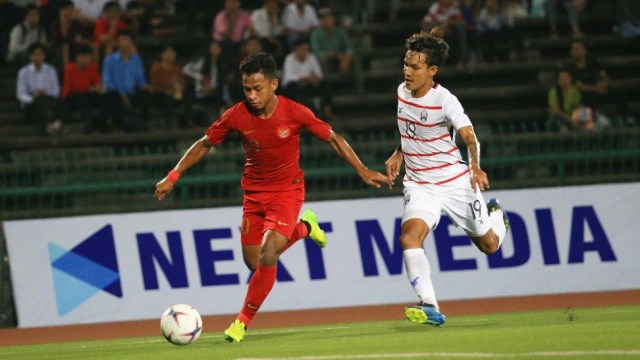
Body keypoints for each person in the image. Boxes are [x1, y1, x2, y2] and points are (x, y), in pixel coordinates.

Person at [153, 52, 389, 343]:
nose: (251, 95)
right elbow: (204, 144)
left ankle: (241, 321)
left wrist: (362, 169)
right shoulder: (236, 115)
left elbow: (333, 138)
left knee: (268, 254)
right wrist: (173, 175)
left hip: (287, 192)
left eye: (258, 88)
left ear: (274, 84)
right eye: (246, 89)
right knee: (256, 265)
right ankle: (305, 228)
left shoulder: (294, 112)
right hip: (253, 196)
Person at [384, 28, 510, 326]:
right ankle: (430, 306)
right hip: (420, 184)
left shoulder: (445, 101)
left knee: (489, 245)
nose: (407, 70)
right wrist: (398, 153)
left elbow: (470, 138)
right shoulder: (402, 92)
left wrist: (475, 166)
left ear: (432, 70)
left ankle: (497, 217)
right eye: (406, 63)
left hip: (455, 182)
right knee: (409, 237)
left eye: (415, 66)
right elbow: (411, 132)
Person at [567, 39, 631, 127]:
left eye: (580, 48)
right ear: (571, 53)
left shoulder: (593, 62)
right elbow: (579, 86)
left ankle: (626, 117)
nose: (578, 51)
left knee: (617, 92)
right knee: (586, 96)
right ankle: (596, 119)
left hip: (599, 89)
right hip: (586, 94)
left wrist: (604, 83)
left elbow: (603, 75)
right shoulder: (570, 69)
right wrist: (595, 88)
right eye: (575, 49)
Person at [101, 31, 150, 131]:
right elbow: (107, 81)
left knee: (145, 93)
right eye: (121, 41)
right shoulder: (109, 60)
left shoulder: (137, 60)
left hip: (132, 92)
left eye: (126, 41)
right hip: (116, 93)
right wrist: (122, 94)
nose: (123, 44)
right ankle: (119, 124)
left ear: (131, 43)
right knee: (111, 96)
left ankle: (144, 123)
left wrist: (144, 86)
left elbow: (140, 79)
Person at [282, 38, 335, 120]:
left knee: (324, 84)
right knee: (292, 88)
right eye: (302, 49)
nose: (304, 51)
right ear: (296, 49)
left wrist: (314, 79)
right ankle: (298, 115)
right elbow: (288, 77)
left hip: (309, 84)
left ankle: (327, 112)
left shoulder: (311, 57)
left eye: (306, 49)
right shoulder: (289, 58)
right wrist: (305, 78)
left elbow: (319, 74)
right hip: (295, 86)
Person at [16, 43, 63, 134]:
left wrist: (43, 93)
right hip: (31, 102)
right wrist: (33, 97)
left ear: (44, 56)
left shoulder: (51, 70)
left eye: (40, 54)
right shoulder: (23, 72)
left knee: (46, 102)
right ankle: (51, 123)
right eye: (35, 54)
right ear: (30, 56)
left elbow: (55, 91)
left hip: (48, 100)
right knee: (39, 103)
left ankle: (47, 125)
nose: (38, 57)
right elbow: (21, 93)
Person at [183, 40, 228, 126]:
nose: (215, 50)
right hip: (201, 92)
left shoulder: (222, 64)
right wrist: (199, 77)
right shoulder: (203, 62)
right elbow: (186, 69)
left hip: (214, 91)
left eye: (217, 47)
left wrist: (213, 87)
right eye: (213, 47)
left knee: (224, 93)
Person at [60, 45, 105, 132]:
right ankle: (87, 123)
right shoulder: (70, 68)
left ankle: (106, 123)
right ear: (77, 57)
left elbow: (98, 83)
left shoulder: (92, 68)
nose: (84, 60)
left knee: (104, 97)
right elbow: (75, 87)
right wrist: (91, 88)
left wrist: (99, 89)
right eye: (82, 57)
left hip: (86, 95)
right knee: (82, 97)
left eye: (87, 57)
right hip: (70, 97)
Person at [421, 0, 468, 68]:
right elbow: (424, 22)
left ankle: (463, 58)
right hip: (441, 33)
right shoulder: (435, 7)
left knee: (460, 27)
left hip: (453, 32)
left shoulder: (454, 4)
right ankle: (438, 62)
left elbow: (459, 19)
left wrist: (448, 24)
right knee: (437, 32)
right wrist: (440, 27)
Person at [149, 45, 185, 129]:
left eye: (172, 53)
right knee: (168, 97)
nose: (170, 55)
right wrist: (167, 90)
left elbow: (182, 83)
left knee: (187, 95)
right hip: (160, 95)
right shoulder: (156, 68)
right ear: (163, 55)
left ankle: (187, 122)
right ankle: (169, 124)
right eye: (168, 53)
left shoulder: (177, 69)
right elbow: (154, 86)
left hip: (176, 94)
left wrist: (179, 88)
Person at [310, 8, 354, 74]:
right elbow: (317, 52)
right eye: (324, 19)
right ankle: (327, 83)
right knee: (323, 61)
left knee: (355, 60)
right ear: (320, 21)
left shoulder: (340, 31)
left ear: (333, 20)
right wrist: (333, 55)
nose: (326, 21)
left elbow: (349, 47)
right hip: (327, 58)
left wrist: (346, 59)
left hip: (340, 57)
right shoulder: (315, 34)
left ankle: (358, 83)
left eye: (329, 18)